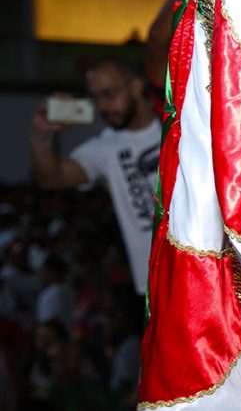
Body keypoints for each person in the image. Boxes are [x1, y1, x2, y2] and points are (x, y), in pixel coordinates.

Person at [29, 58, 160, 297]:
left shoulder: (173, 124)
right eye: (96, 97)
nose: (103, 106)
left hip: (204, 264)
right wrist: (41, 134)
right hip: (154, 282)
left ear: (135, 87)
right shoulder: (105, 146)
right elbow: (51, 178)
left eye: (109, 94)